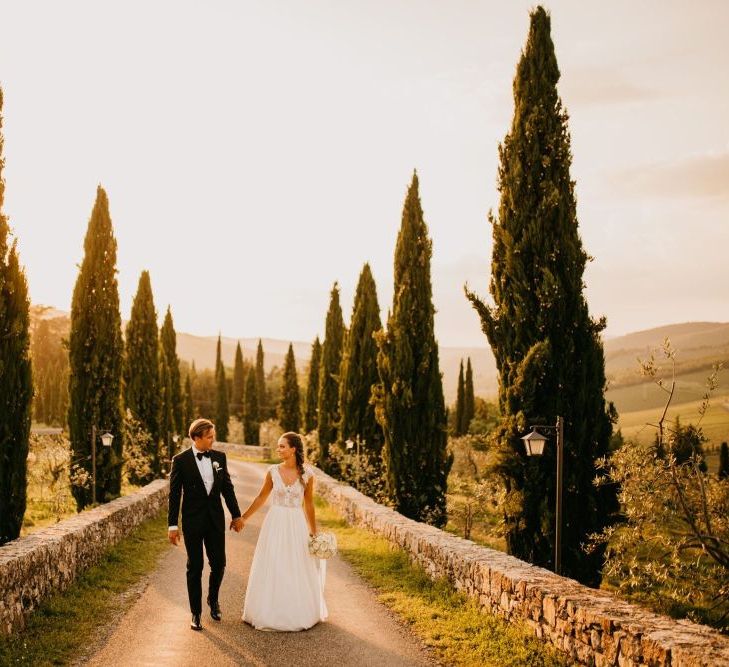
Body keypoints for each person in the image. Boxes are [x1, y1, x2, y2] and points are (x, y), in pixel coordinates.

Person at [241, 431, 328, 631]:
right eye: (278, 446)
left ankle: (297, 611)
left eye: (282, 446)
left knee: (296, 564)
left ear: (293, 449)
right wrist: (244, 517)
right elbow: (261, 497)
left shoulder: (307, 474)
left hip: (296, 523)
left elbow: (309, 504)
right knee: (273, 563)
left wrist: (314, 532)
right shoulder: (272, 471)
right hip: (275, 523)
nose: (278, 449)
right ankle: (267, 610)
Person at [168, 418, 243, 631]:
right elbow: (174, 495)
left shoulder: (220, 457)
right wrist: (172, 525)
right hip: (192, 521)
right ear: (196, 438)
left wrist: (236, 515)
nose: (213, 440)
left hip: (215, 520)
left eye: (213, 436)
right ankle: (196, 613)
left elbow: (227, 488)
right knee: (195, 567)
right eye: (209, 437)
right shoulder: (180, 460)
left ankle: (213, 599)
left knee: (219, 563)